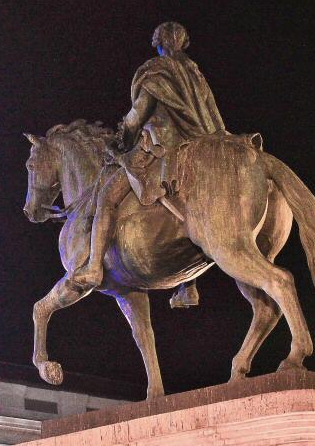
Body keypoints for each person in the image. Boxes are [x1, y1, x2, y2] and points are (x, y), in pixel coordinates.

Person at [71, 22, 226, 301]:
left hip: (160, 146)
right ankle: (187, 284)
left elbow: (138, 114)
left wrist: (121, 139)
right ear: (183, 43)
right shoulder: (194, 72)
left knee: (106, 196)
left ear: (159, 44)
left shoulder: (158, 71)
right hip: (200, 143)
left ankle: (93, 267)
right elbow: (212, 115)